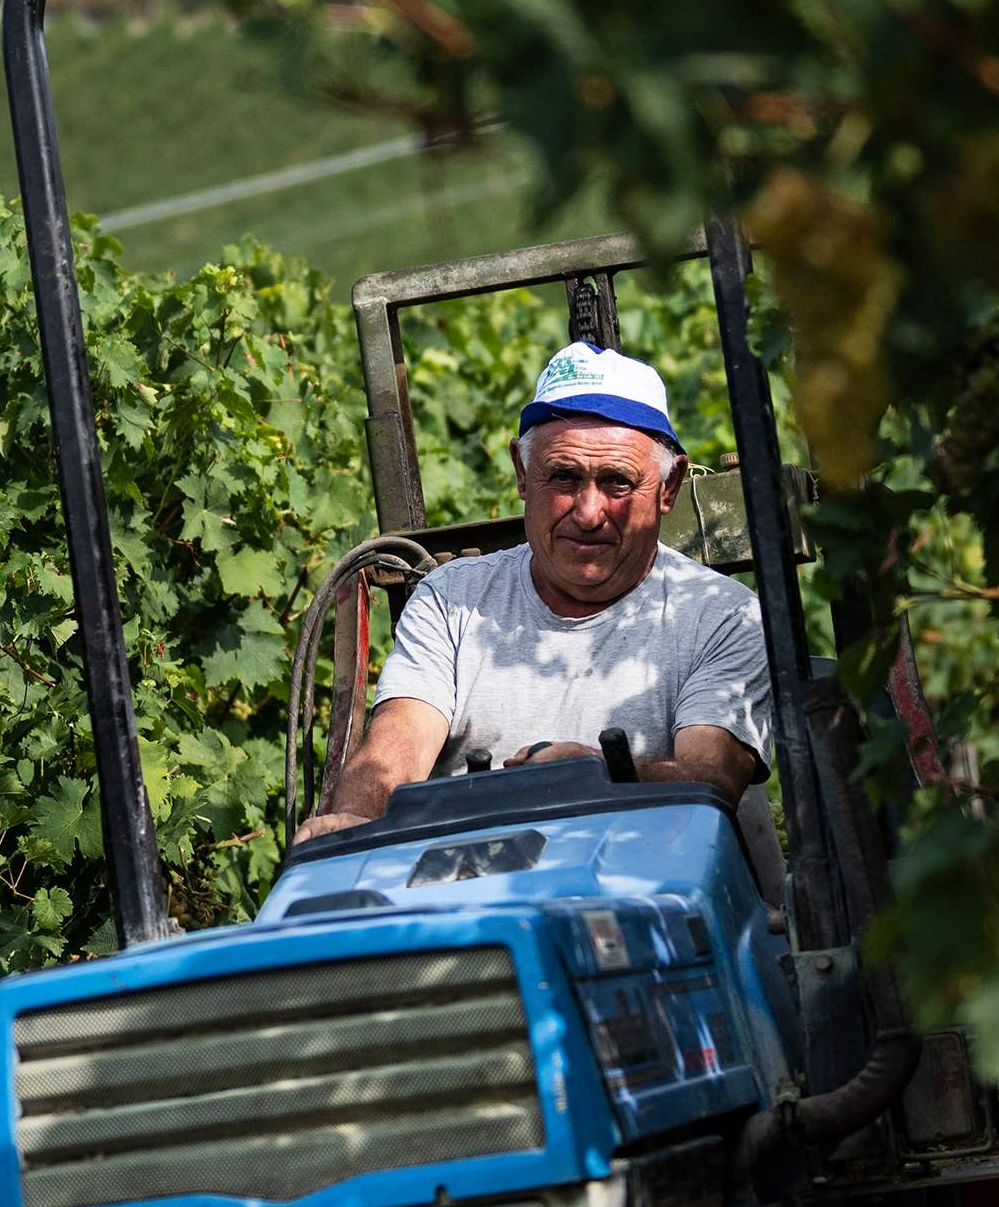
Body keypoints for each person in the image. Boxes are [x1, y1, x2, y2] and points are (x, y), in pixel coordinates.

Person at [295, 340, 772, 843]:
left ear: (669, 487)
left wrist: (591, 776)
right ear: (523, 474)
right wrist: (356, 822)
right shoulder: (452, 599)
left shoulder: (724, 618)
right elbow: (397, 747)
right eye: (563, 478)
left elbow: (710, 778)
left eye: (617, 483)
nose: (588, 514)